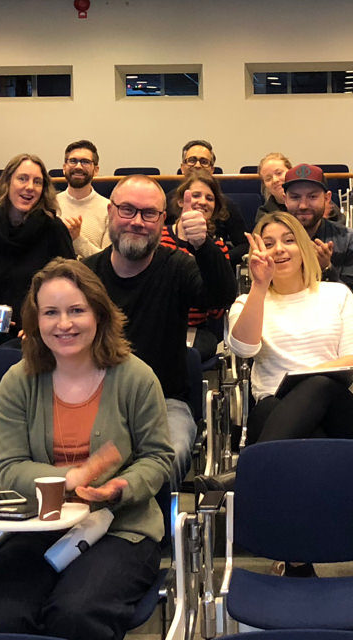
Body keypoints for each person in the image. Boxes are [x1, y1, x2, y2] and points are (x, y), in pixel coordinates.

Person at [0, 258, 172, 640]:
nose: (64, 324)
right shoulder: (18, 381)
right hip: (38, 526)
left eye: (76, 310)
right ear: (36, 321)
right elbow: (9, 466)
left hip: (121, 529)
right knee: (0, 618)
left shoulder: (135, 377)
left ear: (99, 313)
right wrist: (67, 479)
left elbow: (157, 458)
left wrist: (117, 488)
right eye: (51, 313)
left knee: (75, 614)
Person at [83, 175, 236, 483]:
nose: (137, 222)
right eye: (127, 210)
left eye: (149, 213)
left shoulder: (178, 266)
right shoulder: (87, 276)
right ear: (110, 212)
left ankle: (157, 532)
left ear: (163, 220)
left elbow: (221, 296)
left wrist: (202, 244)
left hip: (165, 402)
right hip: (95, 400)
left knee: (171, 456)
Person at [225, 211, 353, 445]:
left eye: (289, 240)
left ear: (303, 247)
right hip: (274, 408)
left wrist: (306, 380)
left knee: (319, 385)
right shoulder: (247, 302)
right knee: (278, 413)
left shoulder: (337, 293)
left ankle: (244, 473)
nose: (279, 249)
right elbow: (244, 349)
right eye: (269, 244)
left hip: (341, 413)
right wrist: (260, 286)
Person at [0, 153, 75, 348]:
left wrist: (43, 324)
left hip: (44, 329)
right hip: (0, 330)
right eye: (22, 179)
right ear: (7, 183)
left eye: (37, 182)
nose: (29, 187)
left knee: (9, 357)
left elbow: (71, 287)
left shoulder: (54, 229)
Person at [163, 171, 239, 361]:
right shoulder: (159, 238)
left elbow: (218, 308)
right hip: (160, 324)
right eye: (196, 195)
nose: (203, 201)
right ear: (181, 201)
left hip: (196, 330)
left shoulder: (217, 248)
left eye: (210, 198)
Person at [282, 164, 353, 303]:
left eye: (312, 197)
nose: (303, 205)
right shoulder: (273, 242)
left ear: (327, 198)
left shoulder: (348, 239)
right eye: (295, 197)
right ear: (285, 199)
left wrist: (326, 269)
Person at [173, 139, 247, 264]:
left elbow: (244, 244)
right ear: (182, 167)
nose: (197, 166)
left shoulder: (226, 204)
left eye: (204, 162)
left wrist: (220, 260)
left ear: (212, 169)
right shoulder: (167, 201)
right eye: (192, 160)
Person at [56, 139, 112, 258]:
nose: (78, 166)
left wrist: (77, 239)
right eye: (73, 161)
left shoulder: (110, 209)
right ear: (64, 167)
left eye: (85, 162)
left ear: (96, 170)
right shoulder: (50, 205)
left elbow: (107, 261)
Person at [256, 151, 292, 217]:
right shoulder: (264, 214)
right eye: (268, 179)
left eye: (279, 173)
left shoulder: (306, 205)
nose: (275, 180)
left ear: (291, 172)